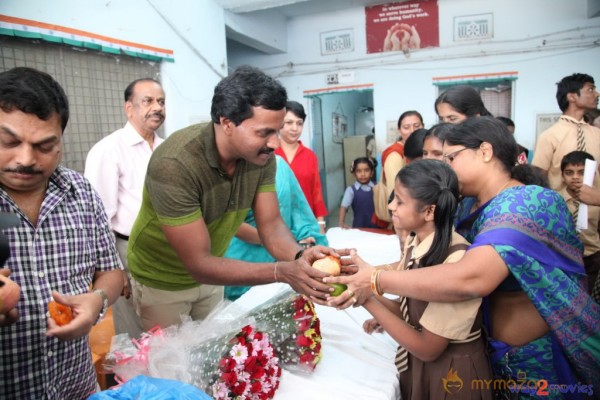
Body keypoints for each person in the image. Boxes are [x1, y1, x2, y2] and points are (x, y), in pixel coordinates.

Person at [327, 117, 600, 396]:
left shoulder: (528, 202)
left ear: (484, 151)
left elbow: (470, 278)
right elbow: (430, 265)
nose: (445, 166)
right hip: (492, 352)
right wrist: (363, 276)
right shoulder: (470, 203)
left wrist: (374, 280)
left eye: (451, 157)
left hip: (538, 359)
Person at [127, 65, 346, 331]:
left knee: (210, 354)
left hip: (211, 276)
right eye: (264, 132)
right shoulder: (175, 164)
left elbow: (272, 226)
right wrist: (282, 271)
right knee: (170, 366)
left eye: (276, 130)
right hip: (163, 280)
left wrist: (301, 255)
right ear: (227, 123)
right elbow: (198, 263)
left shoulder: (261, 158)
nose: (275, 143)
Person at [0, 67, 123, 398]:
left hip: (76, 384)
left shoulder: (80, 191)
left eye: (44, 145)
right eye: (9, 142)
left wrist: (97, 300)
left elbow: (111, 271)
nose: (26, 159)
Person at [362, 159, 492, 399]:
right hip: (422, 366)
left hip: (452, 374)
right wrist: (371, 296)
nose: (391, 206)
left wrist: (366, 298)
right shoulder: (416, 241)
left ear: (429, 211)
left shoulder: (456, 260)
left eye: (400, 201)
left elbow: (427, 347)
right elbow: (413, 313)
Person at [85, 78, 165, 339]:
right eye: (148, 101)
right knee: (134, 330)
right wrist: (115, 270)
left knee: (166, 328)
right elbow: (98, 220)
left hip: (168, 251)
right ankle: (138, 379)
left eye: (161, 102)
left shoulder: (167, 148)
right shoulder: (108, 150)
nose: (157, 107)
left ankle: (166, 379)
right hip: (128, 251)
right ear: (128, 108)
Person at [224, 155, 328, 301]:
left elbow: (297, 206)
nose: (274, 141)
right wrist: (272, 239)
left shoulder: (278, 165)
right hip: (242, 262)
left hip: (283, 256)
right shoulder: (226, 169)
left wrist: (302, 241)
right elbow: (229, 224)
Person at [532, 73, 600, 191]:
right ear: (572, 97)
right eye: (590, 89)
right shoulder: (549, 136)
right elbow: (539, 178)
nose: (597, 94)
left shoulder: (597, 134)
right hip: (560, 207)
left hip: (593, 208)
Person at [274, 100, 328, 233]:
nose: (294, 128)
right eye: (289, 122)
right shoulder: (269, 154)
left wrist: (320, 222)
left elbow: (316, 192)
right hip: (275, 222)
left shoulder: (309, 156)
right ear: (279, 123)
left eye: (299, 123)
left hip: (305, 223)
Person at [558, 151, 600, 296]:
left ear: (592, 175)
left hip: (592, 257)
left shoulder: (597, 200)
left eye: (582, 172)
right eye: (569, 173)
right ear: (562, 176)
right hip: (564, 257)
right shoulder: (555, 200)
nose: (575, 177)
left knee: (591, 298)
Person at [338, 157, 378, 229]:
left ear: (372, 172)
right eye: (359, 171)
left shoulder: (377, 187)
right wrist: (341, 223)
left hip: (377, 229)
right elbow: (343, 207)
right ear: (354, 174)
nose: (363, 174)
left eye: (366, 170)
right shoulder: (351, 190)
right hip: (359, 229)